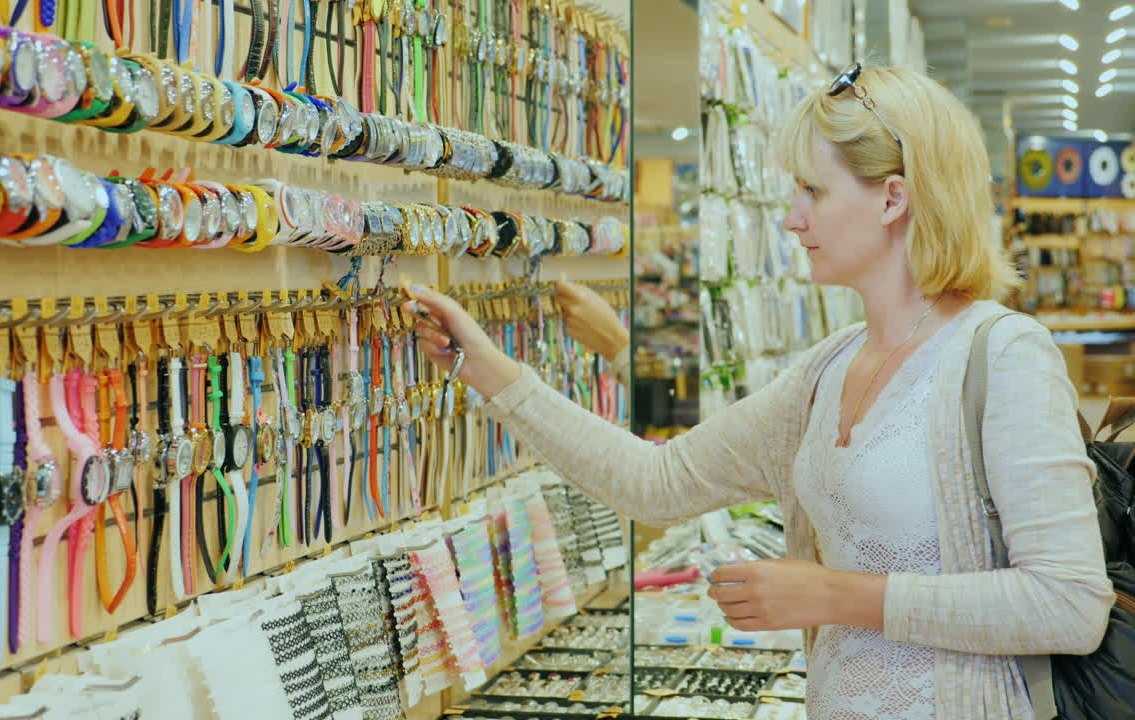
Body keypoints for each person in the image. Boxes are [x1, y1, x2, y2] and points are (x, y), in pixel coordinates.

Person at [406, 64, 1114, 720]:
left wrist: (833, 594)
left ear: (892, 197)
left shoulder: (1005, 356)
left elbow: (1070, 604)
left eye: (813, 190)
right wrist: (482, 365)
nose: (792, 217)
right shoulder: (824, 373)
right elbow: (659, 480)